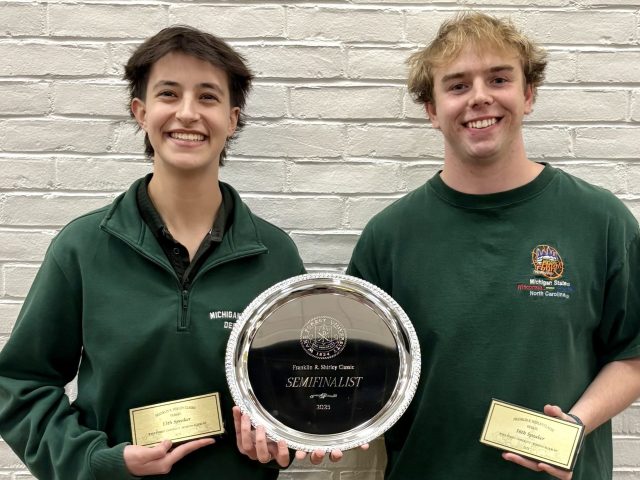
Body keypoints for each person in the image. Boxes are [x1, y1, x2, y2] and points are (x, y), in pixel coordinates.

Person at [0, 26, 305, 479]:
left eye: (207, 97)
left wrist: (285, 439)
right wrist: (95, 461)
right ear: (140, 112)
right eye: (168, 94)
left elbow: (298, 389)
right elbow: (19, 384)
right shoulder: (82, 247)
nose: (187, 113)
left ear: (233, 118)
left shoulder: (274, 254)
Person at [346, 12, 640, 480]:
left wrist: (576, 425)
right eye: (457, 85)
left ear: (527, 95)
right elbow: (354, 371)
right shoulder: (389, 236)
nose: (480, 97)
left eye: (499, 79)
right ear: (431, 108)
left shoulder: (600, 220)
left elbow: (632, 354)